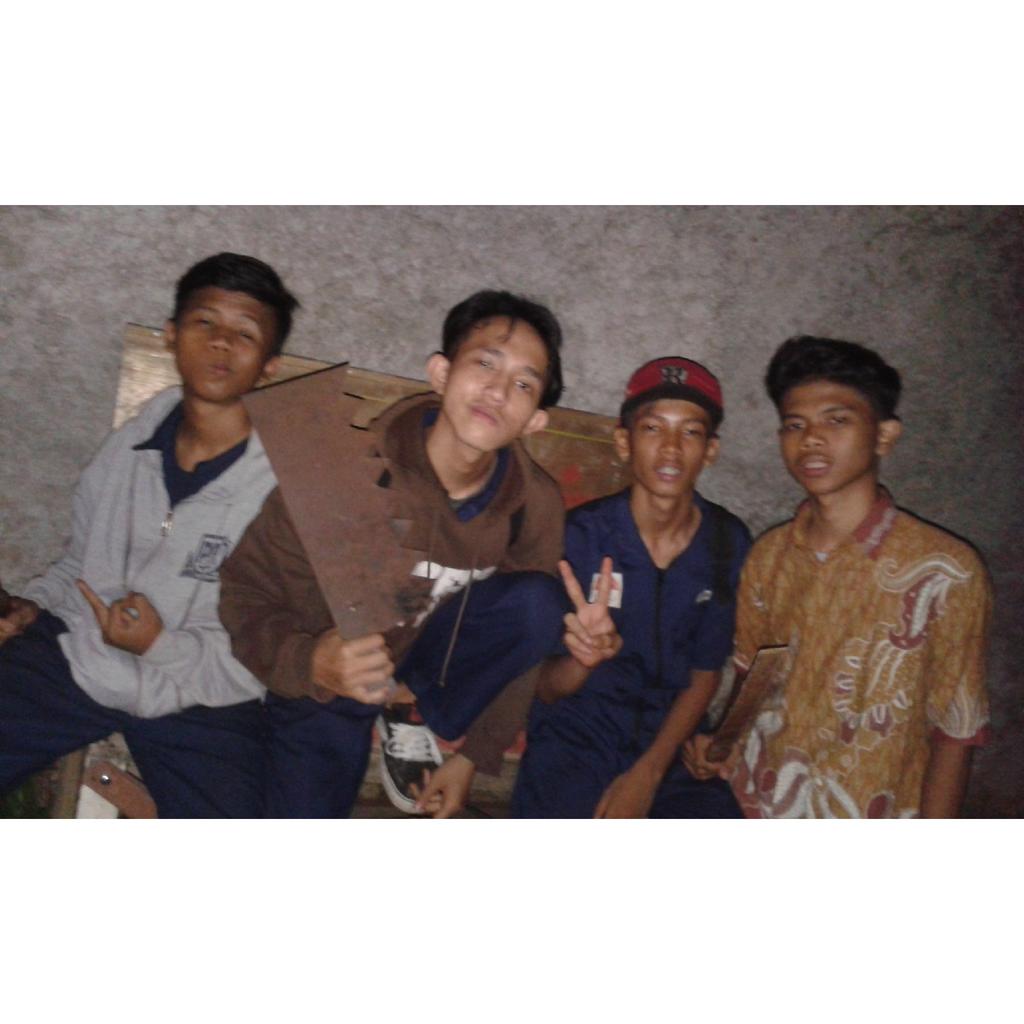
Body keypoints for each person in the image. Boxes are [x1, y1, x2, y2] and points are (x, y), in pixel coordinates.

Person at [218, 289, 569, 818]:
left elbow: (524, 644)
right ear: (440, 373)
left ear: (534, 421)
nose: (498, 392)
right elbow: (244, 590)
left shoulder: (533, 503)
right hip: (338, 667)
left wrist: (474, 756)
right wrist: (311, 662)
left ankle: (408, 707)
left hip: (433, 670)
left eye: (523, 384)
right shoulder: (341, 470)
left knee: (541, 603)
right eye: (484, 364)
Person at [0, 252, 299, 816]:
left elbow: (277, 637)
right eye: (204, 321)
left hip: (207, 693)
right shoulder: (129, 449)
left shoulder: (289, 487)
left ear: (270, 366)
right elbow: (80, 564)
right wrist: (33, 607)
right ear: (171, 335)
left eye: (245, 333)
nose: (220, 342)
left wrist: (161, 647)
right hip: (82, 658)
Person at [685, 335, 992, 818]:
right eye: (795, 424)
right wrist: (723, 744)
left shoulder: (945, 572)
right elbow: (755, 672)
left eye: (836, 420)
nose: (811, 438)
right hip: (756, 803)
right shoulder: (770, 555)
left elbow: (955, 731)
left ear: (884, 436)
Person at [510, 357, 751, 818]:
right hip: (577, 735)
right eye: (653, 429)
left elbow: (705, 672)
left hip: (670, 742)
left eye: (691, 432)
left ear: (711, 450)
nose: (671, 449)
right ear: (624, 442)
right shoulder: (579, 537)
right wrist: (582, 660)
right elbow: (545, 689)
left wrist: (650, 771)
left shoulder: (726, 542)